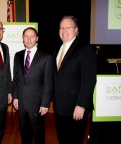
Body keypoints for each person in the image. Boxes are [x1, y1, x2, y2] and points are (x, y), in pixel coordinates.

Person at [52, 15, 97, 144]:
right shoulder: (57, 50)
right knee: (63, 139)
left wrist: (81, 105)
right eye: (61, 27)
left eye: (68, 27)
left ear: (76, 30)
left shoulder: (85, 49)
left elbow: (89, 80)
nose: (63, 30)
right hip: (59, 107)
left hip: (76, 108)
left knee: (74, 140)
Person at [12, 27, 54, 144]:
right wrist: (15, 97)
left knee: (38, 133)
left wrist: (45, 104)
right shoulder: (18, 55)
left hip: (37, 104)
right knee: (24, 133)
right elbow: (16, 78)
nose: (29, 39)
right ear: (23, 39)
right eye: (26, 36)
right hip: (21, 103)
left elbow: (48, 83)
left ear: (37, 38)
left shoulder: (46, 57)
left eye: (32, 36)